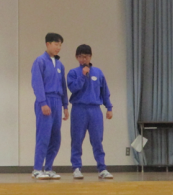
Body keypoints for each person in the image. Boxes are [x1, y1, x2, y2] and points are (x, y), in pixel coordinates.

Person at [67, 44, 114, 179]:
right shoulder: (73, 73)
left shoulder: (98, 73)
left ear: (90, 57)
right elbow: (73, 88)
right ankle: (76, 168)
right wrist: (82, 76)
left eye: (86, 57)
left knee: (97, 140)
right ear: (76, 57)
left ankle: (102, 168)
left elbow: (104, 91)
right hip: (79, 109)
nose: (83, 59)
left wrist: (109, 108)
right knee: (77, 139)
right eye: (80, 57)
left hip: (95, 110)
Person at [31, 33, 69, 179]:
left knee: (55, 137)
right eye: (56, 44)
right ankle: (37, 169)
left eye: (60, 45)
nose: (58, 47)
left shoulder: (60, 65)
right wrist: (43, 102)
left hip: (57, 101)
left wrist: (65, 106)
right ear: (48, 44)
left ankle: (48, 168)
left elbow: (63, 86)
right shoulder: (40, 61)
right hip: (46, 100)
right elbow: (37, 83)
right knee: (44, 136)